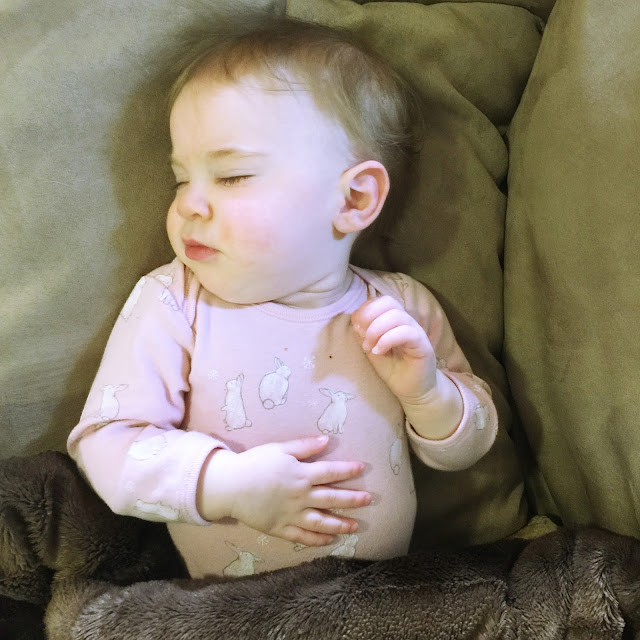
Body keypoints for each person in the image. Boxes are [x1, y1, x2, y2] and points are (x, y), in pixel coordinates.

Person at [68, 15, 498, 579]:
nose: (189, 205)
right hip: (232, 606)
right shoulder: (173, 302)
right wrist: (226, 485)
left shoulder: (400, 309)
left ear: (354, 199)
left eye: (232, 176)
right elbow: (106, 444)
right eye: (181, 179)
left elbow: (469, 449)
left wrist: (429, 396)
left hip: (376, 596)